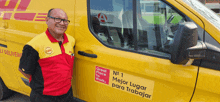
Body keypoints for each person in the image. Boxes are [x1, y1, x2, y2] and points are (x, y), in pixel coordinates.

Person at [18, 8, 76, 102]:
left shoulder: (71, 40)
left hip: (67, 94)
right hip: (44, 97)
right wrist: (42, 85)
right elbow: (23, 69)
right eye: (57, 19)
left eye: (65, 20)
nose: (62, 23)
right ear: (47, 20)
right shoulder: (33, 45)